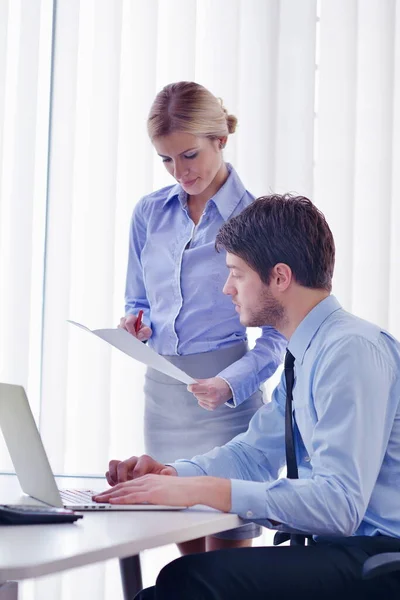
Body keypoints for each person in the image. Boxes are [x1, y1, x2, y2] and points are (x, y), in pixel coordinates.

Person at [96, 194, 400, 599]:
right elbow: (254, 455)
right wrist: (174, 475)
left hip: (376, 561)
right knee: (177, 581)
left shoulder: (351, 350)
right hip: (342, 552)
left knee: (188, 581)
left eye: (236, 274)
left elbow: (338, 505)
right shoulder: (307, 352)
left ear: (279, 277)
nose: (226, 289)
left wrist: (202, 491)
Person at [118, 81, 286, 553]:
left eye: (189, 155)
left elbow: (278, 335)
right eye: (166, 160)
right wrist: (136, 324)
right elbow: (137, 301)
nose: (179, 172)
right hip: (164, 399)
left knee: (227, 568)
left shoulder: (256, 219)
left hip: (226, 405)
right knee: (187, 568)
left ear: (221, 139)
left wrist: (231, 384)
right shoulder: (149, 213)